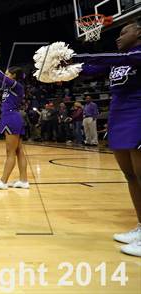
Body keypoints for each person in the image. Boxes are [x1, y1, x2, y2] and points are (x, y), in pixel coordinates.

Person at [70, 20, 141, 257]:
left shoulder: (135, 54)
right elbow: (88, 69)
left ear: (139, 32)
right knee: (130, 175)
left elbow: (114, 58)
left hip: (138, 114)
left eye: (124, 32)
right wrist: (65, 66)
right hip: (119, 116)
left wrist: (81, 54)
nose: (118, 37)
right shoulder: (118, 58)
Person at [0, 61, 29, 190]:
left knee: (10, 152)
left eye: (8, 73)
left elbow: (0, 76)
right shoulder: (8, 87)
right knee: (19, 151)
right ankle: (24, 181)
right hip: (10, 117)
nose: (5, 75)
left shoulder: (17, 86)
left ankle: (3, 182)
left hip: (11, 118)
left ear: (13, 76)